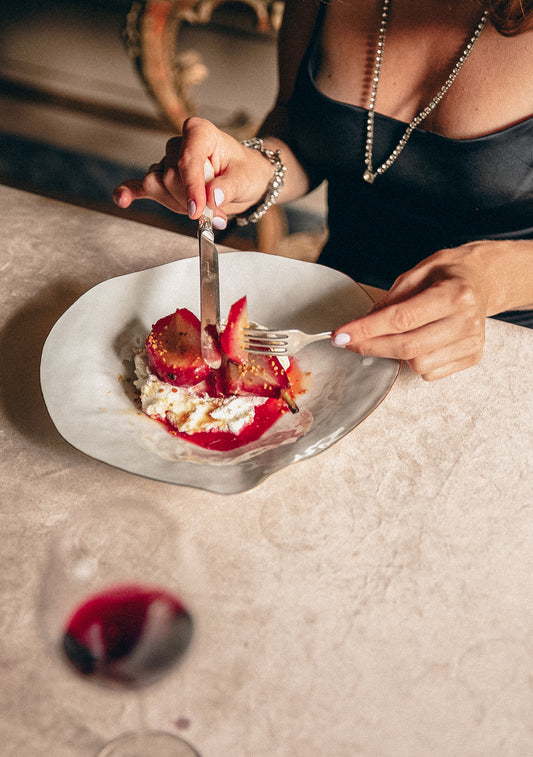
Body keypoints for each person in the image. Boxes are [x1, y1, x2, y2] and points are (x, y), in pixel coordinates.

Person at [113, 0, 533, 381]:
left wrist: (489, 281)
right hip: (333, 321)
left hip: (504, 348)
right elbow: (300, 132)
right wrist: (253, 169)